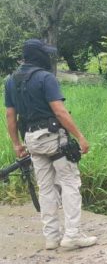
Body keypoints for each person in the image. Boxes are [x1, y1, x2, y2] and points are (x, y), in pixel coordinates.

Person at [4, 39, 96, 250]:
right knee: (70, 183)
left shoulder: (10, 81)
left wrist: (16, 144)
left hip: (31, 140)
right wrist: (80, 136)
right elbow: (59, 111)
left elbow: (10, 115)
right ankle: (72, 235)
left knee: (45, 189)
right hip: (54, 139)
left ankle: (52, 237)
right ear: (39, 55)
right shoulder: (46, 78)